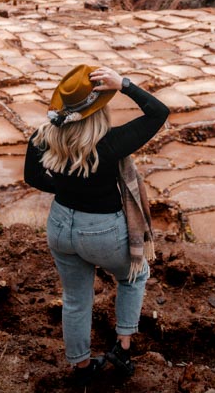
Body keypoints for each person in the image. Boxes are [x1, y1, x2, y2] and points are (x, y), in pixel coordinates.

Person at [23, 64, 169, 384]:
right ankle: (123, 348)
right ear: (99, 109)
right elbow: (159, 112)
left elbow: (32, 177)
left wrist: (65, 188)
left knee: (76, 299)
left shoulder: (44, 135)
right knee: (134, 275)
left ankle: (82, 368)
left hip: (60, 225)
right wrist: (123, 84)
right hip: (102, 230)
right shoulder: (110, 143)